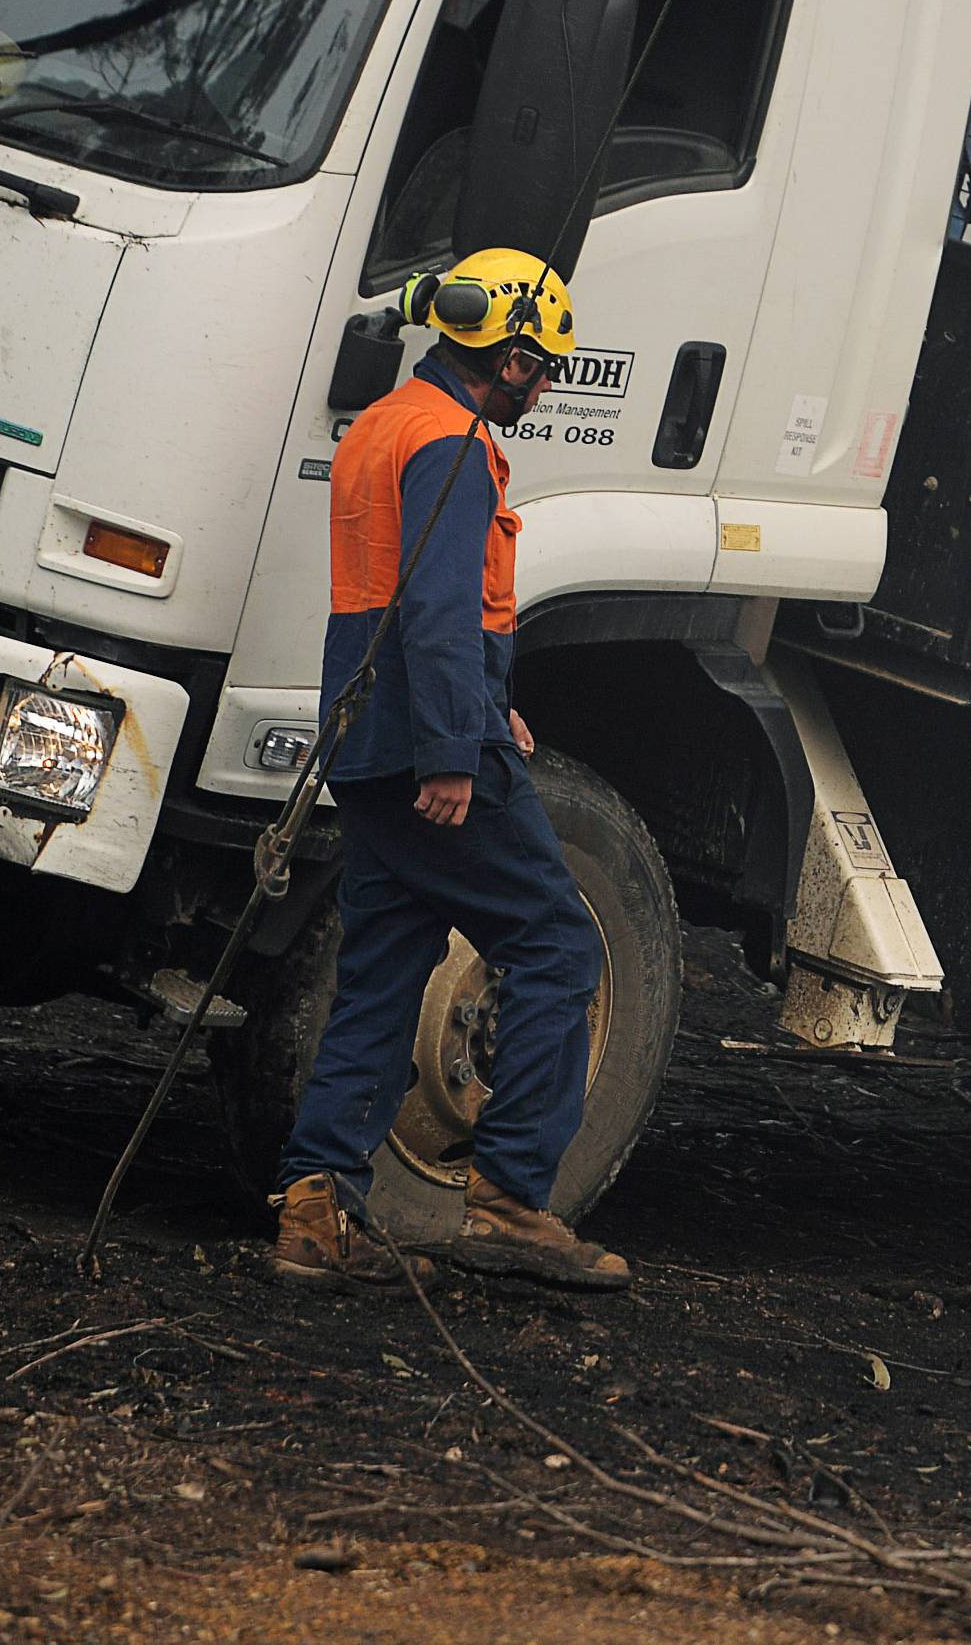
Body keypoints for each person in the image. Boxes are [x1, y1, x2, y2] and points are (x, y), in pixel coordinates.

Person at [271, 250, 629, 1292]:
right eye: (541, 365)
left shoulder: (384, 424)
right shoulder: (454, 445)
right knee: (561, 941)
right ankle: (512, 1203)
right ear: (507, 354)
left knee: (385, 966)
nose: (546, 384)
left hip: (366, 737)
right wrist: (453, 751)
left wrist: (482, 702)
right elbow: (432, 607)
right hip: (426, 745)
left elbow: (405, 597)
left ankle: (315, 1212)